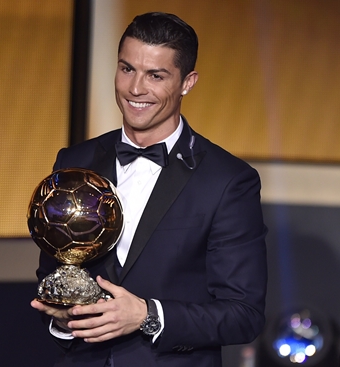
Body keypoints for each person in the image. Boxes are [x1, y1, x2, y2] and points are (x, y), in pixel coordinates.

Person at [31, 12, 267, 367]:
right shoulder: (75, 160)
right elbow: (54, 272)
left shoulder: (228, 180)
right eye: (127, 69)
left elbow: (243, 314)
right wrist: (63, 319)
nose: (135, 89)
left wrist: (147, 315)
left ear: (188, 82)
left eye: (155, 76)